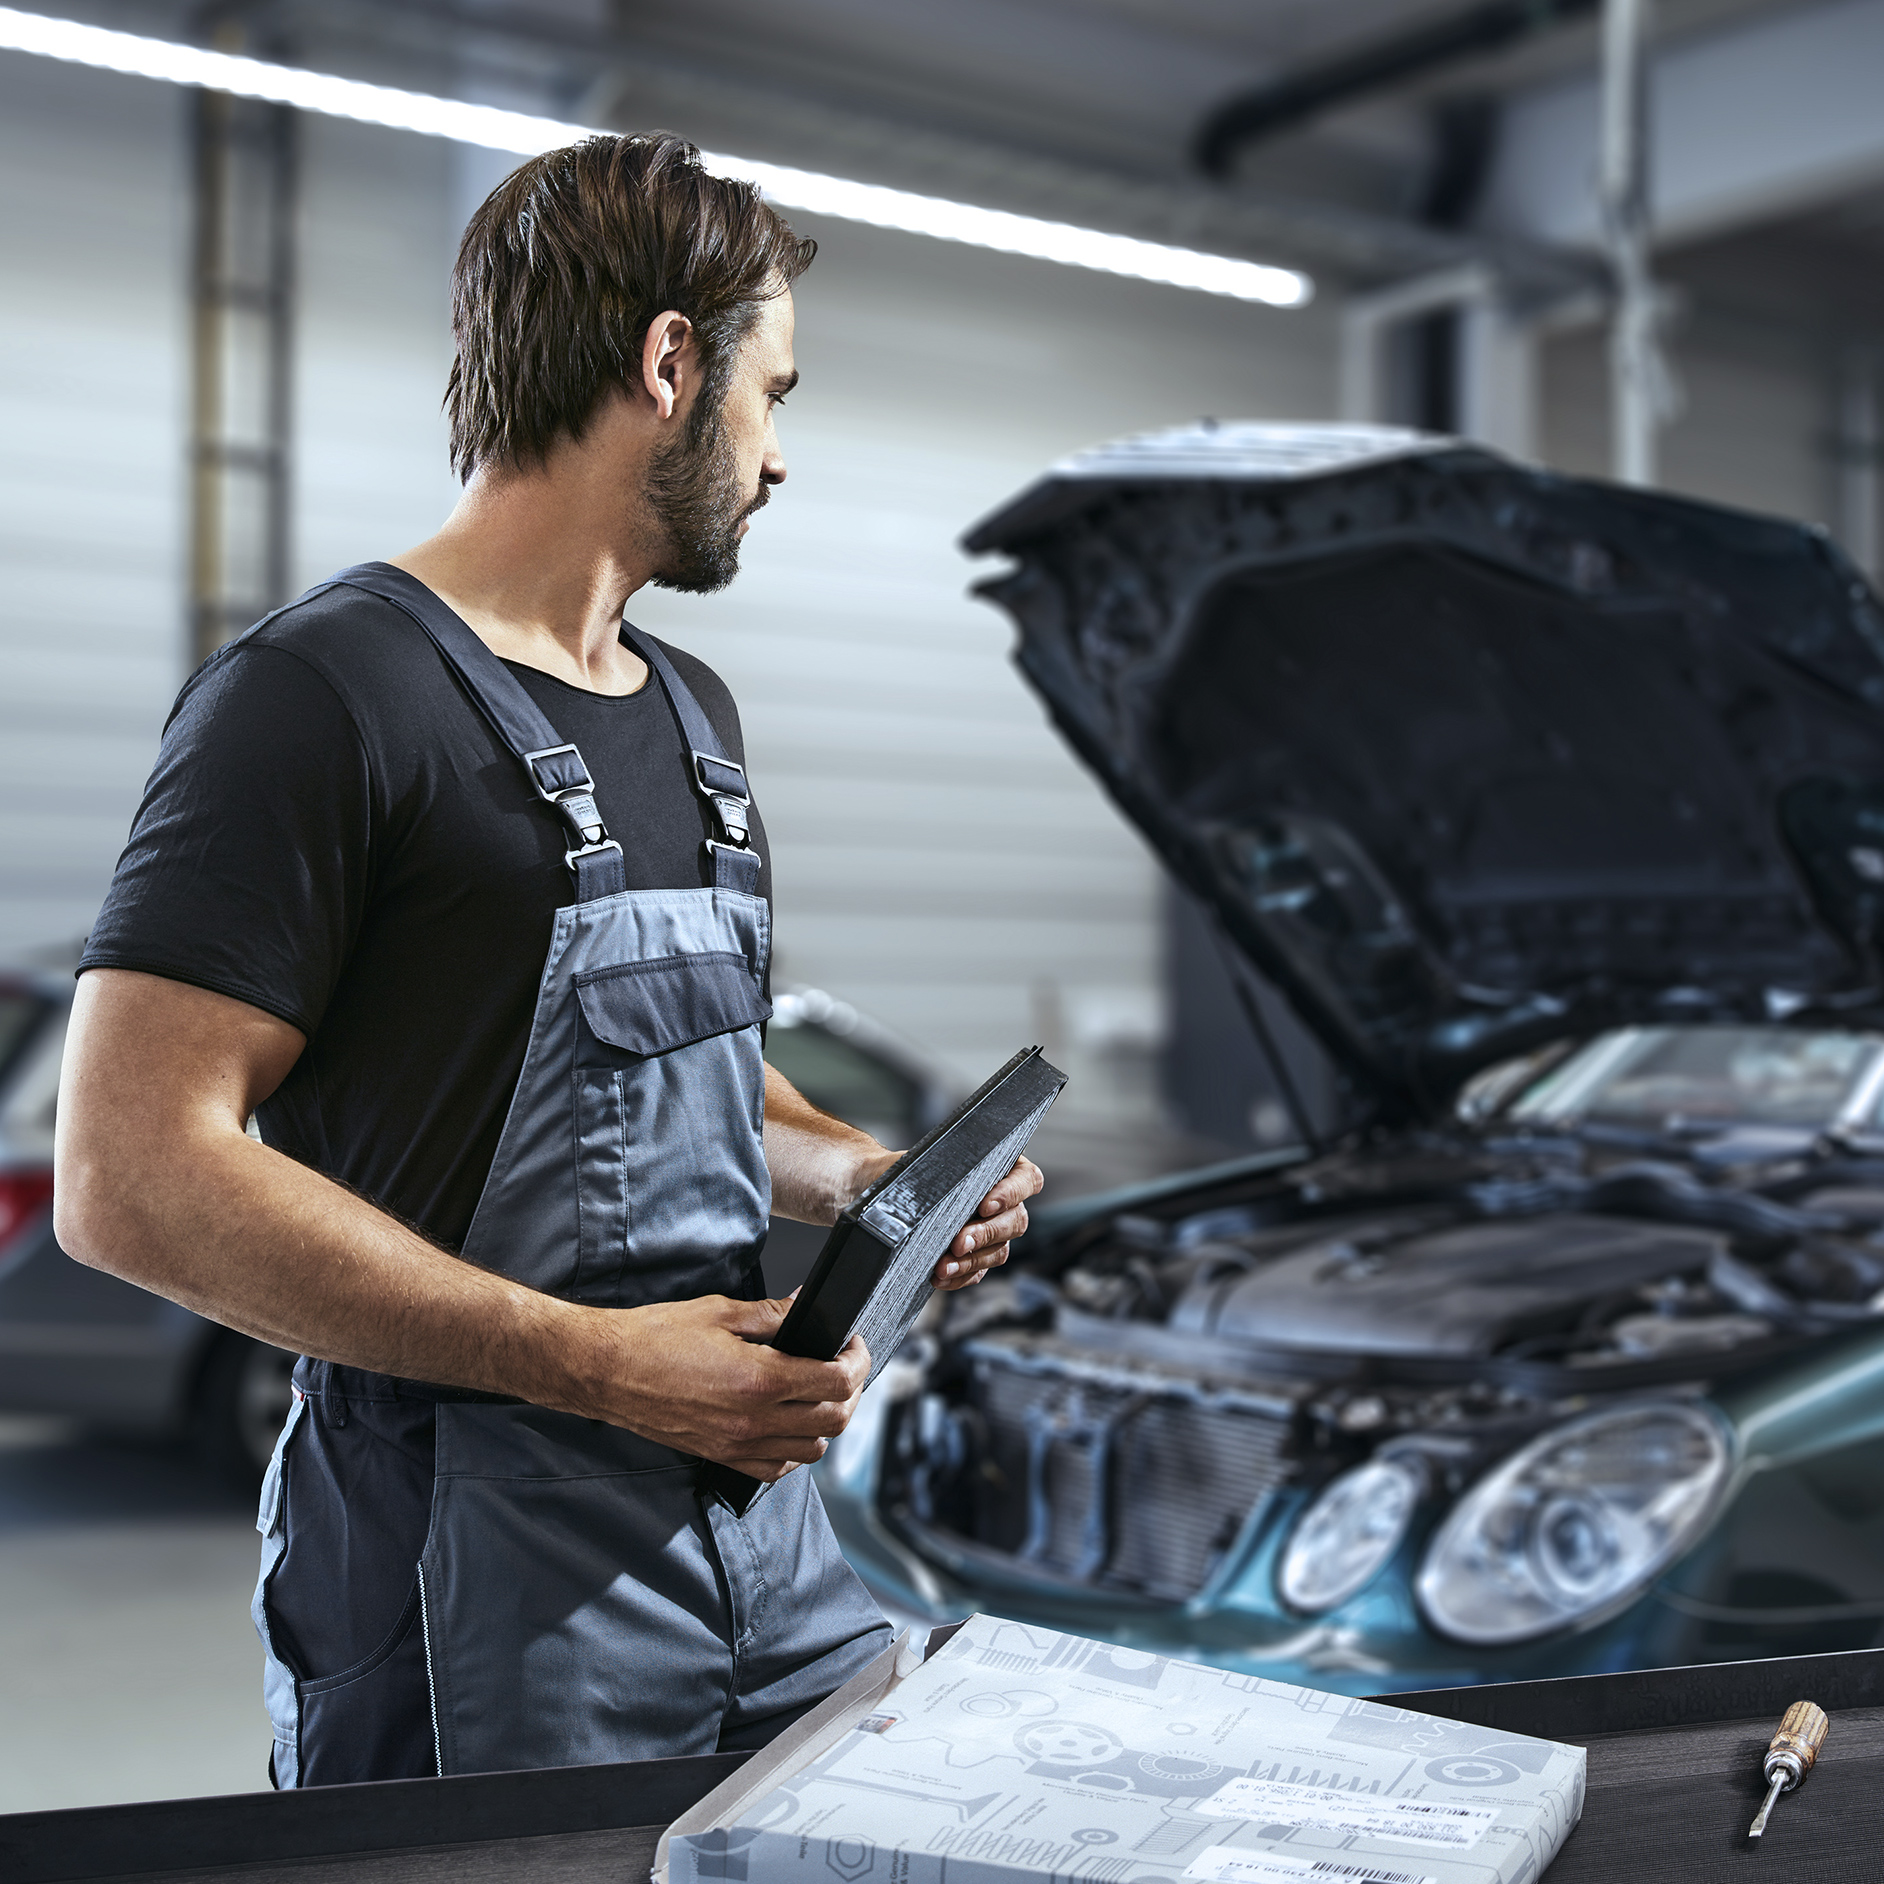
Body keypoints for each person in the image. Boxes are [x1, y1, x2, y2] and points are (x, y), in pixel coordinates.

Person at [54, 133, 1042, 1788]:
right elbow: (127, 1173)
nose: (780, 455)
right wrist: (599, 1366)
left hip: (765, 1544)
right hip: (466, 1568)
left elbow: (693, 1072)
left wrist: (875, 1180)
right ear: (670, 364)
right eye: (772, 394)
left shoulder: (692, 714)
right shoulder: (320, 695)